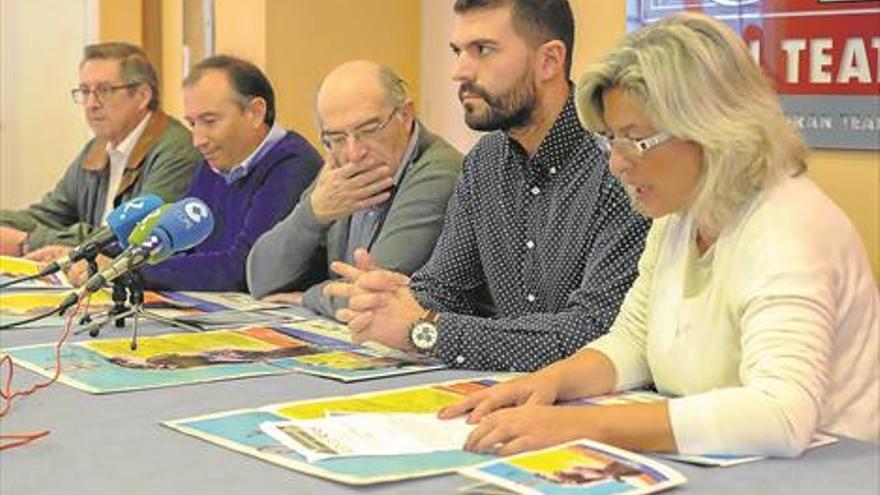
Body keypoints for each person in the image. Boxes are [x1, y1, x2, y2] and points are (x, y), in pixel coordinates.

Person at [439, 12, 879, 458]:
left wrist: (584, 424)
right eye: (612, 140)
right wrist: (546, 383)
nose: (617, 163)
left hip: (826, 470)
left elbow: (781, 414)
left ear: (711, 129)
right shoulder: (680, 212)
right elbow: (633, 340)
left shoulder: (789, 226)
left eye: (636, 139)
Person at [324, 0, 649, 371]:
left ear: (549, 61)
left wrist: (426, 330)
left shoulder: (618, 162)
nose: (460, 72)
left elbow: (595, 332)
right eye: (457, 51)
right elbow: (445, 288)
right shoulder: (485, 162)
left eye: (483, 50)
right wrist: (391, 299)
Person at [246, 60, 463, 316]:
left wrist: (308, 297)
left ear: (405, 116)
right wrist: (313, 214)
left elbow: (374, 296)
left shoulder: (441, 172)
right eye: (336, 138)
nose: (354, 152)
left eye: (369, 130)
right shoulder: (343, 170)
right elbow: (260, 280)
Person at [131, 55, 321, 291]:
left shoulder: (294, 164)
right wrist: (108, 260)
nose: (197, 140)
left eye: (209, 121)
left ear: (255, 112)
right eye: (192, 124)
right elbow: (177, 242)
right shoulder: (216, 162)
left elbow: (240, 268)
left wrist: (134, 271)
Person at [0, 42, 199, 266]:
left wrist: (27, 243)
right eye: (85, 91)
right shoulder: (97, 148)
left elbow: (132, 237)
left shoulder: (176, 151)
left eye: (104, 90)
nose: (91, 104)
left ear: (142, 95)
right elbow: (50, 214)